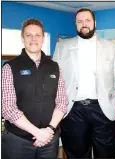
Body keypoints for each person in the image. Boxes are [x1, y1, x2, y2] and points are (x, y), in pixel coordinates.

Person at [53, 8, 115, 158]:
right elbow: (56, 80)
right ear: (75, 25)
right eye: (80, 21)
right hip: (73, 112)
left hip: (104, 110)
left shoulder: (111, 47)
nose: (84, 24)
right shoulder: (62, 47)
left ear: (95, 23)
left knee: (107, 155)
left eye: (87, 20)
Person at [2, 18, 68, 159]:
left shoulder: (55, 67)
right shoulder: (9, 67)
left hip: (49, 141)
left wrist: (49, 130)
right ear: (22, 38)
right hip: (18, 141)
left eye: (38, 35)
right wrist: (37, 133)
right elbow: (8, 108)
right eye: (28, 35)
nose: (33, 39)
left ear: (43, 38)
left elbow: (62, 102)